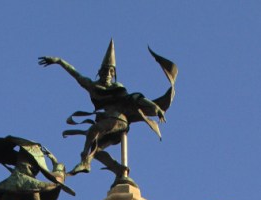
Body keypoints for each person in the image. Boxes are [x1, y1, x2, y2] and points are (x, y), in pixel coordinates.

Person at [39, 41, 176, 180]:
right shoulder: (93, 86)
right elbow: (75, 74)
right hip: (108, 122)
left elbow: (135, 98)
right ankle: (118, 170)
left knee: (93, 130)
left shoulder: (117, 88)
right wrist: (59, 61)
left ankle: (84, 161)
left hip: (119, 121)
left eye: (111, 71)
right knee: (96, 150)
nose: (108, 74)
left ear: (114, 74)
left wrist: (155, 107)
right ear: (99, 72)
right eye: (105, 71)